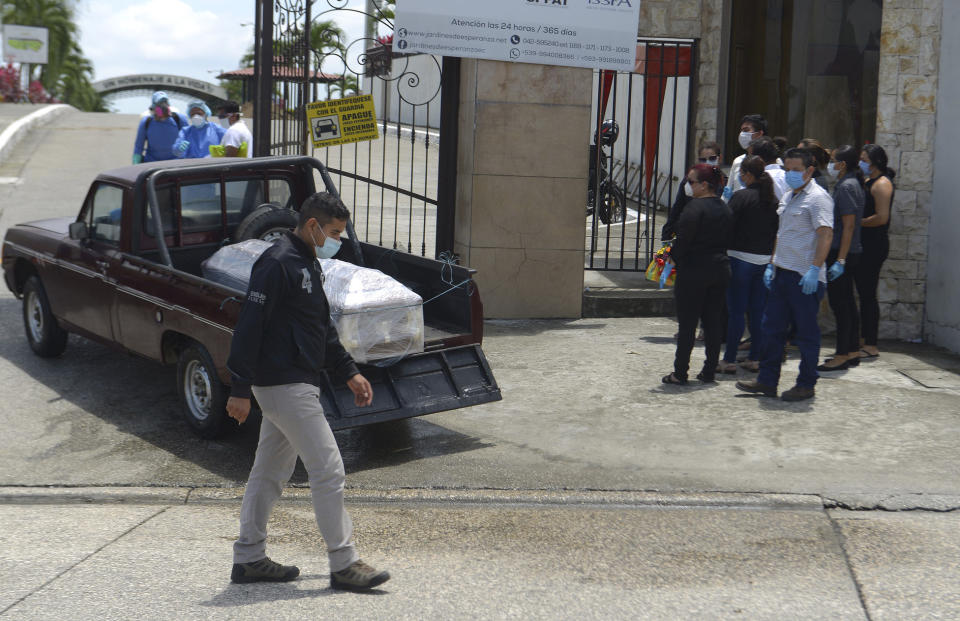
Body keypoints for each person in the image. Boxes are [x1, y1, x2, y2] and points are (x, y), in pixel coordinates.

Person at [226, 192, 390, 591]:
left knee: (269, 472)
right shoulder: (278, 262)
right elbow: (249, 325)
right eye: (333, 232)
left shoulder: (307, 264)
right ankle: (344, 563)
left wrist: (349, 371)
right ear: (312, 225)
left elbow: (319, 326)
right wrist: (238, 388)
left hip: (295, 381)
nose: (338, 240)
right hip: (284, 384)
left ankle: (248, 558)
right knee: (328, 469)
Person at [737, 148, 833, 401]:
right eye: (787, 169)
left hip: (803, 278)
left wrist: (814, 269)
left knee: (806, 334)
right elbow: (782, 233)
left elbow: (825, 235)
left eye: (795, 170)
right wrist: (772, 263)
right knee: (771, 329)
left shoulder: (818, 198)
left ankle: (806, 384)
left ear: (810, 170)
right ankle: (767, 381)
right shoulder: (790, 196)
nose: (790, 174)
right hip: (781, 272)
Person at [662, 164, 732, 385]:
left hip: (694, 271)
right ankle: (709, 371)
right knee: (713, 322)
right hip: (720, 268)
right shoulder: (724, 208)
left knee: (687, 325)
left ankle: (680, 373)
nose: (687, 186)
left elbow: (684, 240)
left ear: (704, 185)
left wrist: (672, 257)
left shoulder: (693, 209)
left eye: (691, 182)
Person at [717, 155, 779, 374]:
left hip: (739, 259)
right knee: (757, 311)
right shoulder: (771, 200)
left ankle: (729, 359)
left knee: (736, 312)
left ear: (747, 175)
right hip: (762, 262)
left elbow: (726, 225)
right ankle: (755, 357)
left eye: (742, 173)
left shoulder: (740, 197)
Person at [819, 144, 865, 371]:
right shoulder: (850, 183)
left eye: (833, 160)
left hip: (842, 252)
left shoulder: (846, 186)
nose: (831, 165)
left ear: (843, 164)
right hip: (848, 251)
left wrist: (840, 260)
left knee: (841, 305)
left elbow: (848, 226)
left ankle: (842, 354)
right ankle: (852, 350)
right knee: (847, 303)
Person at [854, 144, 895, 358]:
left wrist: (856, 223)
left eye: (864, 159)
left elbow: (881, 217)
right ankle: (862, 338)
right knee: (862, 292)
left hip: (873, 245)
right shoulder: (867, 181)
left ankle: (871, 343)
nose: (861, 163)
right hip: (863, 243)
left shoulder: (881, 184)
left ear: (875, 162)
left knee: (868, 294)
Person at [661, 140, 724, 241]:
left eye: (712, 158)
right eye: (703, 160)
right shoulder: (689, 181)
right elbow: (677, 208)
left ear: (719, 158)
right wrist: (666, 236)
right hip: (689, 233)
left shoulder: (724, 182)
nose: (707, 162)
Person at [131, 91, 188, 163]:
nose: (163, 106)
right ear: (153, 107)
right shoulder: (146, 122)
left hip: (175, 163)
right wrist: (135, 164)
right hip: (152, 163)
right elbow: (139, 147)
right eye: (160, 104)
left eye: (165, 103)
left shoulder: (179, 119)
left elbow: (189, 140)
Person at [724, 113, 770, 198]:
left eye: (746, 130)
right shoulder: (738, 161)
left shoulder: (772, 161)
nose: (742, 134)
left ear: (759, 133)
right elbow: (729, 188)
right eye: (741, 130)